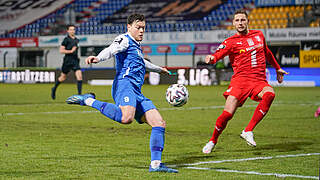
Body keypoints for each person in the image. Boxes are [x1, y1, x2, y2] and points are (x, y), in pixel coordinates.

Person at [65, 14, 178, 173]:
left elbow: (142, 63)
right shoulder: (124, 39)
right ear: (129, 27)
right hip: (124, 85)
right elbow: (112, 50)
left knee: (159, 123)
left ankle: (155, 165)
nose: (141, 31)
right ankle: (88, 100)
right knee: (126, 118)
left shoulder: (137, 47)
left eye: (143, 28)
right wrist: (97, 58)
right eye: (138, 28)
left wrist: (159, 69)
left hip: (136, 91)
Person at [202, 10, 288, 154]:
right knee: (227, 115)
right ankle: (213, 140)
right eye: (237, 20)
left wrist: (278, 68)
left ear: (248, 21)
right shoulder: (230, 42)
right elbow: (217, 54)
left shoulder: (259, 35)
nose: (240, 23)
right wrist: (212, 58)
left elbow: (267, 52)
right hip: (240, 82)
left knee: (270, 95)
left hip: (259, 81)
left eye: (243, 20)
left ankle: (248, 130)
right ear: (233, 23)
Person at [51, 25, 82, 100]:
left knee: (79, 76)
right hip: (67, 61)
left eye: (73, 29)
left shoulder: (77, 40)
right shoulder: (66, 40)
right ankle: (54, 88)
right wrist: (71, 51)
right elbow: (61, 51)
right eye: (71, 30)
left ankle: (80, 96)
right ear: (68, 31)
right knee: (62, 78)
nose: (72, 31)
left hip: (75, 61)